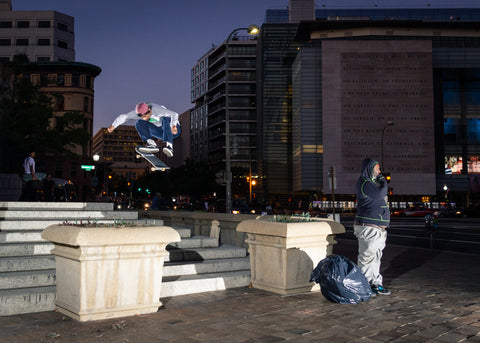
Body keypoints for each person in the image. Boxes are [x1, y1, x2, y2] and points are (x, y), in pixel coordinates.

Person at [354, 158, 391, 295]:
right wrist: (382, 179)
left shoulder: (371, 184)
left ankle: (375, 283)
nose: (380, 170)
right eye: (377, 168)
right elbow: (381, 193)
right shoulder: (364, 182)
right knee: (367, 257)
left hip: (377, 228)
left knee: (375, 257)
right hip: (369, 227)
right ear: (369, 168)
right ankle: (363, 285)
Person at [107, 102, 181, 157]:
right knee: (139, 123)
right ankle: (151, 144)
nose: (145, 118)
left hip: (173, 131)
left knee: (165, 119)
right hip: (160, 132)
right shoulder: (138, 113)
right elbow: (124, 116)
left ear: (149, 110)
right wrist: (113, 126)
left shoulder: (157, 109)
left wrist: (173, 125)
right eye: (142, 116)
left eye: (146, 116)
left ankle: (169, 147)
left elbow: (174, 114)